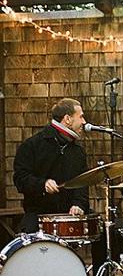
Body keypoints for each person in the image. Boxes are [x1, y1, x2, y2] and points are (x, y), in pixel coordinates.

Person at [13, 98, 90, 233]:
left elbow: (82, 184)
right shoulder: (32, 145)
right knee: (29, 234)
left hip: (69, 212)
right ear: (67, 119)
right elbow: (20, 179)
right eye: (81, 117)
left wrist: (78, 204)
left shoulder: (78, 151)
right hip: (38, 214)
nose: (84, 122)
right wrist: (42, 184)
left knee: (100, 231)